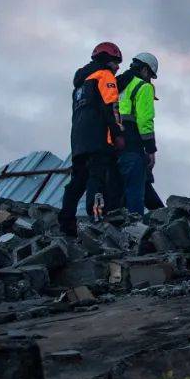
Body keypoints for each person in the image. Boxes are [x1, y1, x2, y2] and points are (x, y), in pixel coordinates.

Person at [59, 42, 124, 236]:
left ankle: (66, 223)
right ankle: (97, 217)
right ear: (108, 60)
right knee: (98, 178)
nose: (117, 67)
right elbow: (111, 108)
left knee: (77, 182)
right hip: (99, 139)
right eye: (116, 62)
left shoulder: (80, 85)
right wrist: (119, 134)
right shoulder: (105, 76)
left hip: (78, 142)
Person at [117, 52, 159, 216]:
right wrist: (150, 150)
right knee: (135, 192)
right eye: (151, 75)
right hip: (132, 145)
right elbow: (144, 121)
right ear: (145, 70)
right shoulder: (143, 87)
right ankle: (136, 231)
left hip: (113, 146)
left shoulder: (117, 86)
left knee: (120, 192)